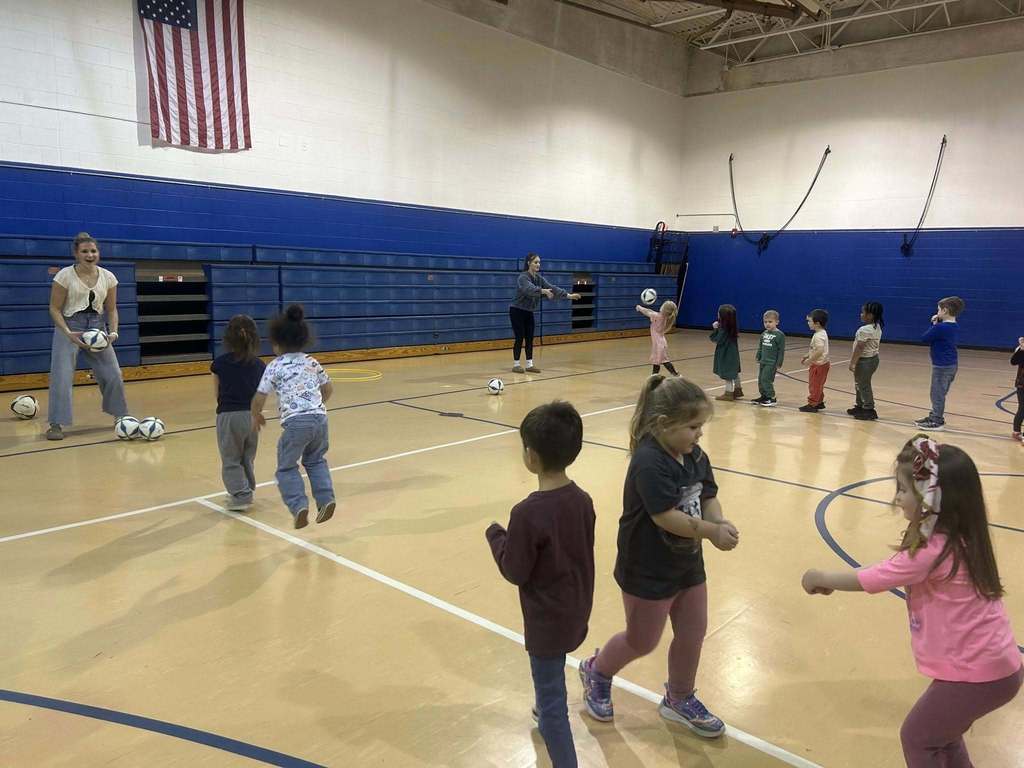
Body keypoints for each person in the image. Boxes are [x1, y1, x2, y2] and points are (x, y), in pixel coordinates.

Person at [802, 435, 1021, 767]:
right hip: (994, 668)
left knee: (917, 738)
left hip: (977, 673)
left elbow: (874, 577)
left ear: (932, 501)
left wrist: (821, 577)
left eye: (903, 490)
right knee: (942, 739)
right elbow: (889, 569)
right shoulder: (961, 536)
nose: (897, 498)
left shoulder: (932, 550)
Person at [579, 376, 739, 737]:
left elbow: (708, 494)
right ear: (664, 424)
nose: (699, 435)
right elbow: (665, 516)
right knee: (642, 640)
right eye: (693, 427)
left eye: (701, 427)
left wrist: (717, 522)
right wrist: (711, 532)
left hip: (687, 563)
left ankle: (679, 698)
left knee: (693, 631)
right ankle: (597, 670)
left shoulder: (695, 455)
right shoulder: (649, 462)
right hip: (647, 568)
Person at [486, 401, 595, 768]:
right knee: (550, 679)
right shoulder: (583, 500)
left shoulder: (527, 513)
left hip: (547, 622)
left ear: (530, 456)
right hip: (576, 609)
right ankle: (544, 700)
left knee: (554, 710)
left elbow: (515, 570)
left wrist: (497, 536)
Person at [251, 304, 336, 529]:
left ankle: (299, 505)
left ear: (277, 344)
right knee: (316, 460)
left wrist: (256, 414)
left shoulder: (275, 365)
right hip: (320, 419)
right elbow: (327, 389)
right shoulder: (312, 361)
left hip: (296, 423)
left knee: (286, 466)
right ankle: (326, 499)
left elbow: (260, 395)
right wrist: (316, 406)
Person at [45, 232, 130, 441]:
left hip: (97, 327)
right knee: (62, 376)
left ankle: (121, 416)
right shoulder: (64, 276)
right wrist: (67, 333)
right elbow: (54, 309)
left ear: (98, 253)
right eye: (85, 251)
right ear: (76, 254)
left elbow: (111, 309)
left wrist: (113, 331)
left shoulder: (108, 277)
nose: (90, 255)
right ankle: (56, 424)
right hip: (69, 326)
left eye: (93, 251)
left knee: (113, 374)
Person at [211, 315, 265, 511]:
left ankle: (241, 494)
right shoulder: (260, 365)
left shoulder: (219, 363)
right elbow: (261, 393)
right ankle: (246, 487)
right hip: (252, 416)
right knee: (247, 455)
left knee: (230, 457)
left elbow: (217, 393)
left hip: (229, 416)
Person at [509, 253, 580, 374]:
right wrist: (543, 291)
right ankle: (516, 364)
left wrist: (569, 295)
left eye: (539, 262)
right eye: (536, 262)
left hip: (528, 312)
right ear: (528, 263)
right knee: (520, 337)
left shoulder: (538, 278)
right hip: (517, 311)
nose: (538, 264)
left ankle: (529, 364)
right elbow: (529, 290)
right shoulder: (522, 277)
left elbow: (552, 287)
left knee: (530, 338)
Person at [915, 296, 965, 431]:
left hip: (943, 366)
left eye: (938, 310)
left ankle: (937, 420)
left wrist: (934, 324)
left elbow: (925, 338)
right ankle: (934, 415)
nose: (936, 312)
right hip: (950, 365)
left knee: (937, 394)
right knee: (938, 393)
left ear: (945, 311)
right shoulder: (954, 326)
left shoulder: (941, 327)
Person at [848, 302, 884, 421]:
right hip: (873, 360)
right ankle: (860, 405)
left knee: (863, 385)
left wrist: (853, 362)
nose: (861, 314)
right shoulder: (876, 326)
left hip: (865, 361)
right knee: (859, 383)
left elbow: (860, 347)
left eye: (863, 312)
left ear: (870, 315)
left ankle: (869, 409)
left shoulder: (864, 330)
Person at [799, 309, 830, 413]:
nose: (808, 323)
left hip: (818, 365)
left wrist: (810, 360)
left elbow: (820, 350)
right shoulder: (822, 333)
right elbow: (816, 349)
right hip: (823, 364)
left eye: (809, 321)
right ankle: (819, 401)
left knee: (814, 384)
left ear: (817, 323)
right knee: (819, 384)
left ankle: (812, 404)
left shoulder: (818, 336)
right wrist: (807, 354)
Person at [752, 310, 784, 407]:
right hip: (763, 361)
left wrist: (779, 362)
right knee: (761, 379)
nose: (767, 324)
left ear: (777, 322)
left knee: (766, 379)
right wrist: (758, 356)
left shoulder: (780, 335)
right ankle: (764, 396)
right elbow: (761, 347)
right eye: (765, 322)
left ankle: (772, 397)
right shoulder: (764, 334)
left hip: (772, 363)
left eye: (770, 322)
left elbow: (781, 350)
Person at [710, 304, 742, 402]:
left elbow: (716, 339)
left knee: (728, 375)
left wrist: (715, 329)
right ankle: (737, 390)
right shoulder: (732, 328)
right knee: (734, 372)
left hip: (726, 355)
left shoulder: (723, 330)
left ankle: (728, 393)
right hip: (733, 355)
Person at [637, 300, 679, 376]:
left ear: (664, 309)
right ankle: (654, 377)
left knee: (664, 361)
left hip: (659, 345)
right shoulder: (662, 317)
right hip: (660, 343)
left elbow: (648, 312)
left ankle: (676, 375)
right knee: (657, 362)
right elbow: (651, 311)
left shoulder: (657, 316)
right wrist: (643, 308)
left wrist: (639, 308)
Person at [1011, 336, 1024, 443]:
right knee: (1023, 407)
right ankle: (1016, 431)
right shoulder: (1020, 349)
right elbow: (1013, 361)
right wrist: (1021, 349)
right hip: (1022, 383)